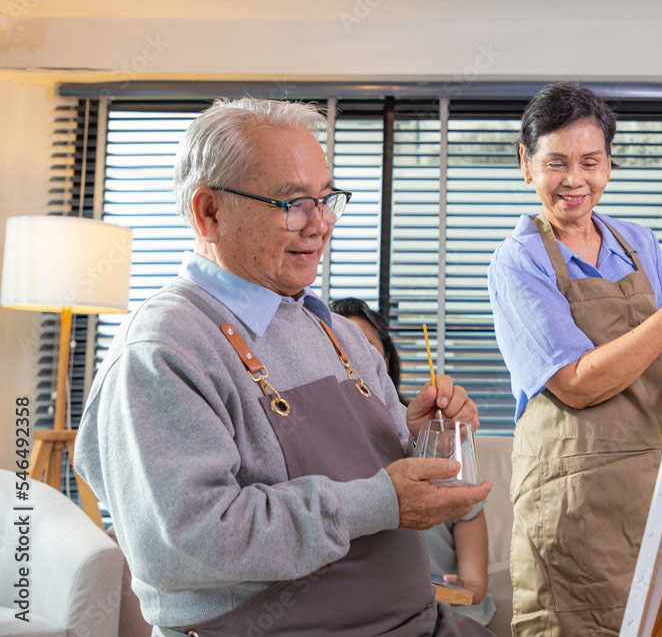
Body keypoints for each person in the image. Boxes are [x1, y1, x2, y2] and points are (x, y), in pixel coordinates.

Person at [75, 98, 493, 637]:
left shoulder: (338, 333)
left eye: (327, 199)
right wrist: (377, 503)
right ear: (210, 213)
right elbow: (187, 543)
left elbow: (383, 487)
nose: (322, 225)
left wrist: (422, 438)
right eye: (295, 202)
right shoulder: (164, 349)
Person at [487, 82, 662, 635]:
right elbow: (576, 383)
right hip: (574, 502)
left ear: (610, 163)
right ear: (526, 164)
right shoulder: (518, 261)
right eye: (556, 163)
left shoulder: (639, 242)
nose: (575, 180)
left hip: (650, 488)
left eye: (591, 161)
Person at [330, 297, 498, 627]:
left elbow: (474, 588)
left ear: (386, 361)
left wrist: (455, 591)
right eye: (335, 347)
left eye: (364, 346)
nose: (348, 359)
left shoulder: (434, 437)